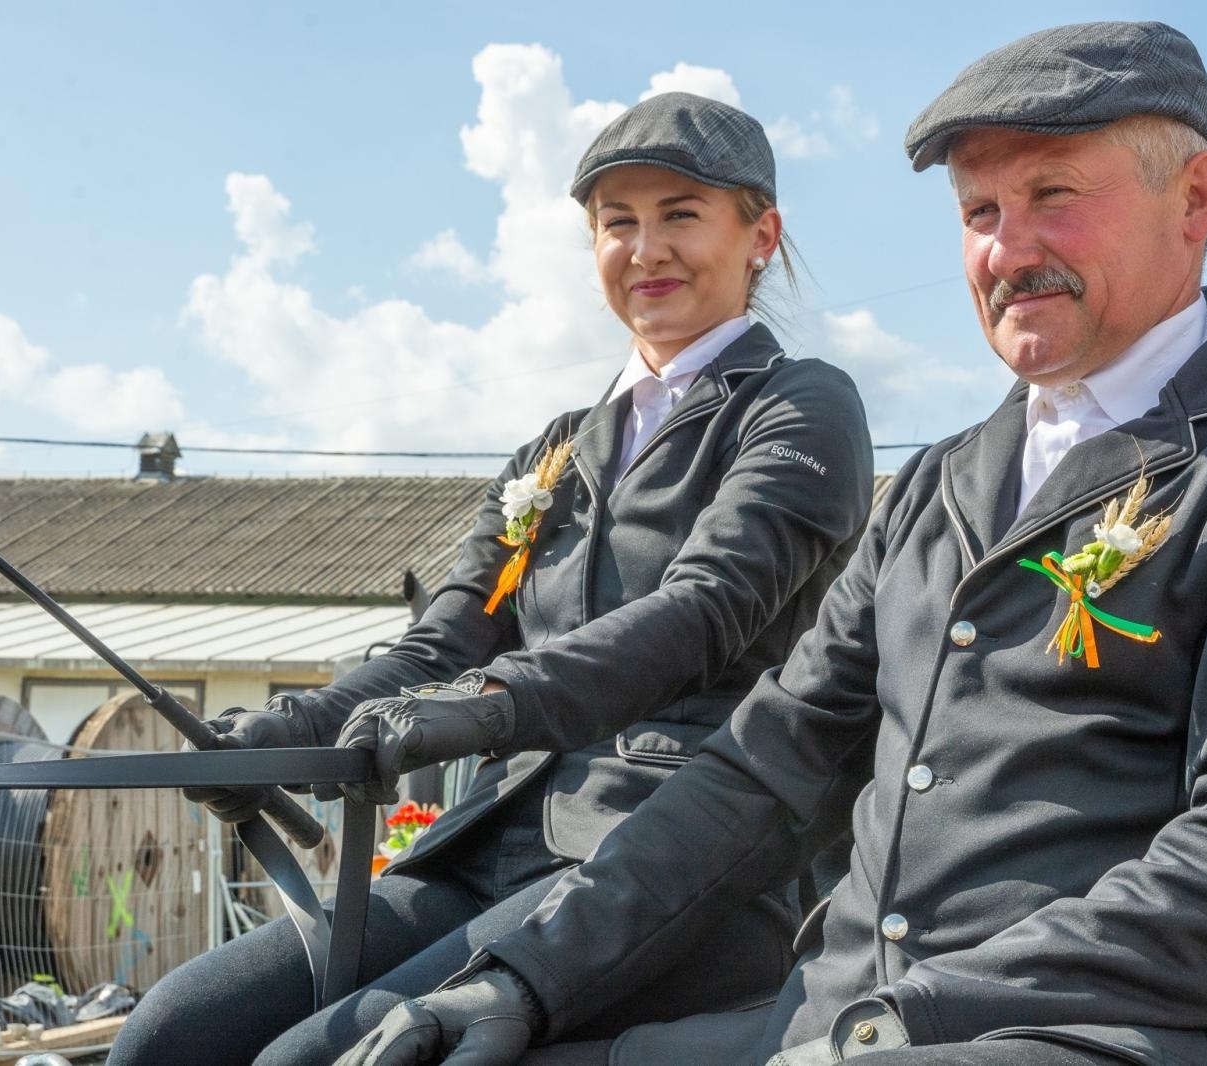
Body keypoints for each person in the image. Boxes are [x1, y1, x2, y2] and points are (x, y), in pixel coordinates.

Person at [336, 21, 1207, 1066]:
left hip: (1128, 1031)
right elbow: (765, 766)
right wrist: (522, 980)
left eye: (1053, 196)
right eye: (980, 213)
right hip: (844, 1022)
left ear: (1195, 199)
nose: (1007, 251)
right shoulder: (938, 485)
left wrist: (917, 1013)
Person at [107, 91, 874, 1066]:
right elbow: (447, 639)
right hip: (487, 840)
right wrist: (292, 731)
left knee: (307, 1058)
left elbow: (703, 610)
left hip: (670, 851)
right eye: (617, 223)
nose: (646, 250)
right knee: (172, 1032)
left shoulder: (799, 408)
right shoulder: (554, 450)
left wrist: (488, 703)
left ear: (760, 233)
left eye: (681, 214)